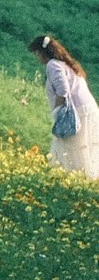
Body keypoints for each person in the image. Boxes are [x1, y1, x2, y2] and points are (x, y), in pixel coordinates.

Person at [30, 34, 99, 177]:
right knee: (79, 147)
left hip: (76, 112)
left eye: (36, 53)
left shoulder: (53, 65)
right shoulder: (65, 63)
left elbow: (63, 90)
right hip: (86, 108)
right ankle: (77, 179)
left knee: (67, 146)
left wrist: (57, 112)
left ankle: (70, 178)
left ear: (42, 53)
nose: (36, 58)